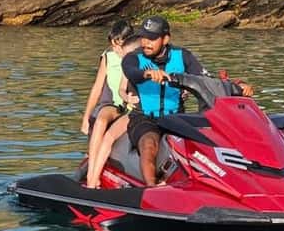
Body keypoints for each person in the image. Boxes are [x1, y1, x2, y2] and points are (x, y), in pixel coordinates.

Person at [121, 14, 253, 186]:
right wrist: (147, 73)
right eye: (144, 37)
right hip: (144, 118)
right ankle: (151, 189)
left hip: (176, 117)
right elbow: (131, 71)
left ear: (165, 39)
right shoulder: (133, 58)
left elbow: (207, 80)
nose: (146, 42)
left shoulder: (183, 56)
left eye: (152, 39)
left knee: (207, 142)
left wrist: (237, 86)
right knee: (149, 144)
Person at [79, 20, 139, 187]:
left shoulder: (136, 58)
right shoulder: (108, 57)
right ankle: (92, 175)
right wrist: (86, 117)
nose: (116, 50)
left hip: (132, 107)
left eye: (119, 46)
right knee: (100, 120)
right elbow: (97, 88)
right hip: (115, 105)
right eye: (113, 46)